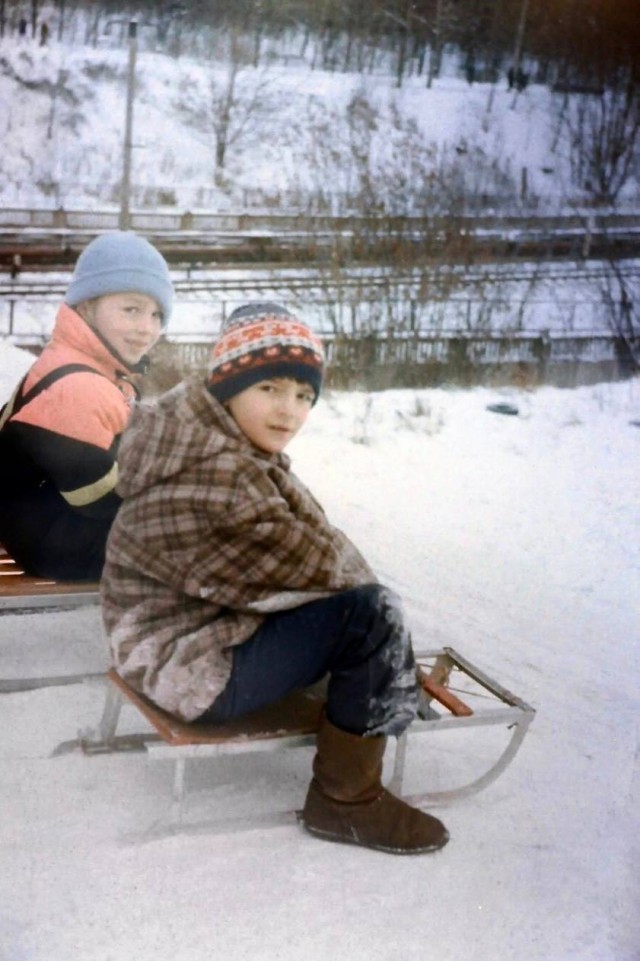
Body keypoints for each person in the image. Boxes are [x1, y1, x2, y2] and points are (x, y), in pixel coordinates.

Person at [101, 302, 449, 855]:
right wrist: (391, 658)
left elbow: (303, 559)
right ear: (229, 385)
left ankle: (358, 706)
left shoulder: (200, 438)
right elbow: (327, 570)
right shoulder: (221, 476)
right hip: (189, 668)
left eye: (305, 396)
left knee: (356, 614)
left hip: (164, 642)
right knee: (370, 616)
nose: (290, 411)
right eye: (272, 388)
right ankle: (345, 803)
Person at [0, 231, 173, 581]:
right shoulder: (77, 386)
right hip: (53, 541)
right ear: (87, 306)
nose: (147, 328)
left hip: (49, 526)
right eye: (131, 309)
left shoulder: (91, 369)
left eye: (156, 314)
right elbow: (97, 498)